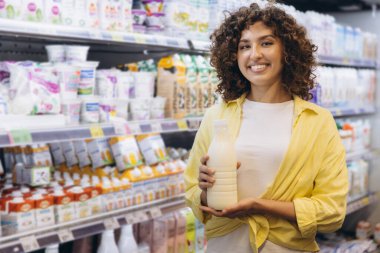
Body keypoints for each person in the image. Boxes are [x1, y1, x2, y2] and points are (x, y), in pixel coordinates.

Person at [185, 2, 348, 253]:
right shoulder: (216, 116)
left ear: (288, 50)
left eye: (267, 43)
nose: (255, 54)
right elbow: (192, 193)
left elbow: (332, 212)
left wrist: (259, 206)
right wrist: (206, 192)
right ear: (233, 56)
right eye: (244, 46)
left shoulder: (318, 121)